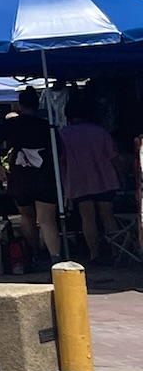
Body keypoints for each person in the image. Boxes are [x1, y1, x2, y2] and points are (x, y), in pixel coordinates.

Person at [0, 88, 61, 265]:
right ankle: (55, 258)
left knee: (26, 217)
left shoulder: (12, 124)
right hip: (44, 175)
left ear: (19, 105)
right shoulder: (46, 125)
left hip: (21, 175)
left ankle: (33, 254)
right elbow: (58, 151)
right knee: (47, 220)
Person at [61, 103, 121, 257]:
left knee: (88, 218)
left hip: (79, 182)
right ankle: (117, 251)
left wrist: (65, 186)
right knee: (108, 216)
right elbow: (113, 156)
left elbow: (62, 162)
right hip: (105, 179)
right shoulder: (100, 131)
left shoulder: (63, 134)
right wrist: (120, 175)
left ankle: (94, 253)